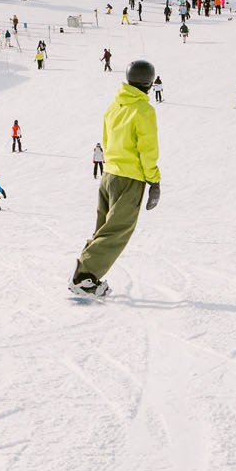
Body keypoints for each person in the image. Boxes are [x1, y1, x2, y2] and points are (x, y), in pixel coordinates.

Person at [71, 60, 161, 297]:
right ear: (149, 83)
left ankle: (86, 274)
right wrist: (154, 180)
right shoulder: (143, 110)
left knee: (104, 228)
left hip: (109, 175)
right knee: (118, 230)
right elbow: (147, 148)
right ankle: (85, 277)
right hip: (129, 178)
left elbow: (107, 140)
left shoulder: (115, 106)